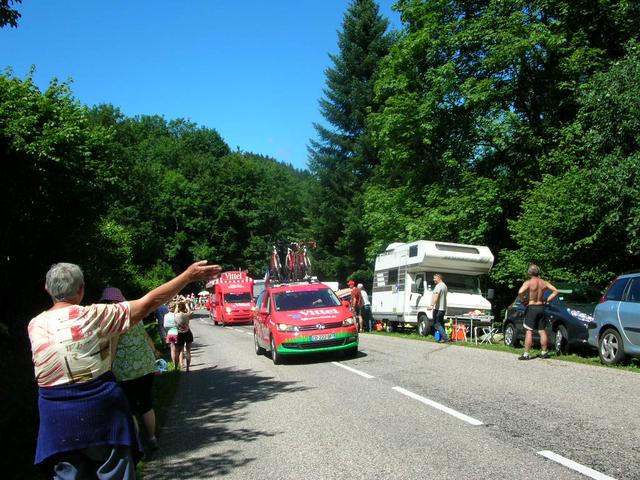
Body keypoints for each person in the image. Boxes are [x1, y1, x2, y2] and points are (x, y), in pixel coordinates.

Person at [28, 260, 220, 479]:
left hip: (56, 425)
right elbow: (148, 303)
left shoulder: (34, 325)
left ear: (47, 289)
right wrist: (187, 276)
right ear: (81, 290)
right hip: (102, 414)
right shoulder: (96, 315)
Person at [102, 287, 161, 452]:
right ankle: (152, 438)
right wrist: (155, 354)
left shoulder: (113, 320)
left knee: (130, 409)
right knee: (146, 404)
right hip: (145, 366)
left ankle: (137, 445)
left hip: (125, 371)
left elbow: (112, 348)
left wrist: (108, 367)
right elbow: (146, 337)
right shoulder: (136, 316)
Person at [517, 264, 559, 360]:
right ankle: (544, 352)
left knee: (529, 331)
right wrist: (547, 300)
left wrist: (523, 300)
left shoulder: (528, 282)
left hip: (531, 307)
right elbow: (555, 291)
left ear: (529, 273)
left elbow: (520, 292)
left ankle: (526, 354)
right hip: (541, 307)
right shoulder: (543, 282)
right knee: (542, 331)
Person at [430, 273, 449, 343]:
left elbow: (436, 296)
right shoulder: (444, 286)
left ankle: (445, 337)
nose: (433, 279)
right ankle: (442, 338)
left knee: (437, 324)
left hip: (438, 308)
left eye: (435, 278)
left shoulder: (438, 286)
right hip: (443, 308)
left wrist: (432, 305)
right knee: (441, 323)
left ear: (439, 278)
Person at [174, 301, 193, 371]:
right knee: (188, 351)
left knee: (177, 352)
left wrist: (177, 304)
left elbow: (176, 309)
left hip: (180, 334)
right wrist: (187, 304)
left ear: (178, 308)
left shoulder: (175, 315)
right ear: (184, 308)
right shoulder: (187, 315)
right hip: (187, 333)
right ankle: (187, 368)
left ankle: (176, 367)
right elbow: (190, 311)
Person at [164, 301, 180, 368]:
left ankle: (174, 365)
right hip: (177, 333)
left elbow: (165, 326)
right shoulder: (176, 315)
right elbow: (179, 324)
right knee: (178, 350)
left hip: (170, 334)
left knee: (172, 350)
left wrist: (167, 331)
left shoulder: (166, 315)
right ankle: (178, 364)